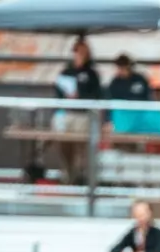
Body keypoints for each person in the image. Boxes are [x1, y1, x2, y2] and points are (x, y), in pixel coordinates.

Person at [53, 38, 102, 183]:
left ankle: (84, 177)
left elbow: (96, 94)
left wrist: (80, 96)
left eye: (82, 52)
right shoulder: (66, 72)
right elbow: (57, 91)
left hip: (83, 115)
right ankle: (68, 175)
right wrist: (66, 97)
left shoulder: (91, 74)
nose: (79, 55)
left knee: (83, 148)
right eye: (77, 52)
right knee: (65, 146)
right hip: (66, 114)